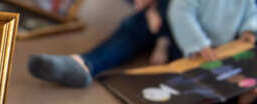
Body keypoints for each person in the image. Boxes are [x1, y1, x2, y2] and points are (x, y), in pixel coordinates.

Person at [29, 0, 177, 88]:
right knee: (132, 29)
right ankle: (83, 64)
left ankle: (86, 63)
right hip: (151, 19)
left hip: (188, 30)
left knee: (137, 27)